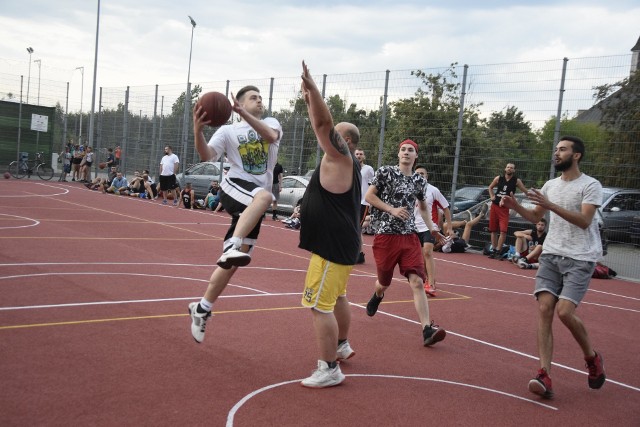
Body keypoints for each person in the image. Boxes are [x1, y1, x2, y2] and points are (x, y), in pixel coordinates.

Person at [501, 136, 606, 399]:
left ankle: (592, 358)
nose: (556, 153)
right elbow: (536, 216)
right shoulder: (550, 184)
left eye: (562, 150)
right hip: (551, 254)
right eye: (556, 149)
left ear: (576, 155)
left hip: (580, 257)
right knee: (545, 308)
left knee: (565, 312)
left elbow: (584, 220)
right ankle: (544, 373)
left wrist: (550, 205)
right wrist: (516, 208)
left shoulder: (591, 186)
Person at [188, 84, 282, 344]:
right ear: (238, 104)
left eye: (261, 97)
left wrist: (246, 114)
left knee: (230, 263)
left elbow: (271, 137)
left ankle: (202, 308)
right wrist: (197, 131)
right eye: (254, 98)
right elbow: (207, 155)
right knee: (265, 196)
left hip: (254, 202)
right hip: (235, 187)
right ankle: (232, 243)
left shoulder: (272, 122)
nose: (260, 100)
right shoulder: (228, 130)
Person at [297, 61, 361, 388]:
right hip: (341, 243)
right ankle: (341, 346)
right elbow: (319, 122)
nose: (323, 137)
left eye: (334, 135)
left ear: (343, 139)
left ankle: (328, 368)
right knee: (337, 297)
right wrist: (308, 98)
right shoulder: (341, 161)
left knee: (317, 305)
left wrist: (314, 91)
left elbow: (323, 123)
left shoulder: (339, 155)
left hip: (330, 246)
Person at [364, 139, 447, 347]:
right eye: (403, 150)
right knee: (384, 282)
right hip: (386, 235)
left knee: (417, 281)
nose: (406, 153)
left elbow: (423, 207)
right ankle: (377, 294)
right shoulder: (385, 172)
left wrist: (432, 228)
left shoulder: (419, 181)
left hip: (409, 235)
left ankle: (427, 329)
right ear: (399, 154)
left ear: (415, 156)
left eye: (410, 150)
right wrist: (391, 209)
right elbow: (369, 196)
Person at [414, 165, 452, 296]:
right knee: (420, 256)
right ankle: (427, 278)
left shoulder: (433, 190)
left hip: (429, 226)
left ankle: (431, 284)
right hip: (413, 227)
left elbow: (446, 207)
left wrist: (450, 228)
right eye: (417, 173)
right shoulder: (409, 188)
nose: (420, 175)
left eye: (422, 174)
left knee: (428, 252)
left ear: (427, 176)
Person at [487, 163, 528, 258]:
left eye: (512, 168)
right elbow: (490, 187)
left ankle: (498, 250)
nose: (509, 169)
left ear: (514, 171)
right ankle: (493, 249)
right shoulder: (498, 178)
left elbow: (525, 191)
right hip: (495, 205)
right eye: (508, 167)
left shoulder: (516, 181)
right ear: (505, 169)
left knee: (503, 231)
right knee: (493, 229)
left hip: (505, 208)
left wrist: (530, 194)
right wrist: (492, 196)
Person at [354, 149, 375, 264]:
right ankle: (358, 253)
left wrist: (371, 201)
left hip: (363, 202)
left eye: (361, 154)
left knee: (357, 227)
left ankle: (359, 253)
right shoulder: (351, 167)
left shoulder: (368, 169)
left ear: (364, 156)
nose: (358, 156)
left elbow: (373, 185)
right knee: (354, 228)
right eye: (357, 154)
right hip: (352, 202)